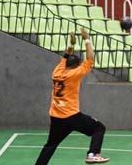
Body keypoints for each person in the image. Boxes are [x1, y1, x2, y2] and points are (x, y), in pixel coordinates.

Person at [35, 29, 110, 165]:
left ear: (65, 64)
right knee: (99, 128)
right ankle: (92, 154)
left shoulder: (57, 71)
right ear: (76, 66)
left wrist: (71, 43)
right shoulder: (74, 74)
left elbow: (65, 56)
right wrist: (87, 39)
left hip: (56, 116)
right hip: (71, 116)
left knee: (50, 145)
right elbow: (90, 59)